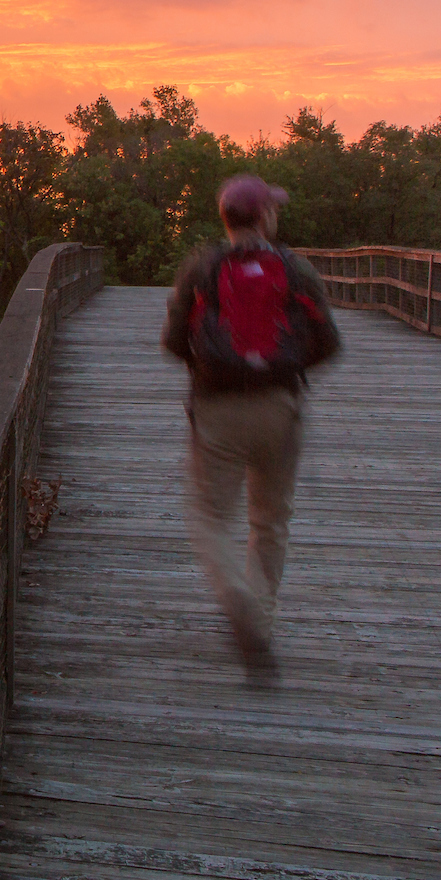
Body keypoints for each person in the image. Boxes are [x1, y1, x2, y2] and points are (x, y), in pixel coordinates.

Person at [161, 175, 341, 682]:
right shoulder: (295, 268)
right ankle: (259, 617)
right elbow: (328, 342)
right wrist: (280, 366)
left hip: (217, 408)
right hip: (279, 410)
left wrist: (210, 366)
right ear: (263, 217)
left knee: (212, 517)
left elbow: (174, 340)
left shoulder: (202, 265)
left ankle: (236, 601)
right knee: (270, 522)